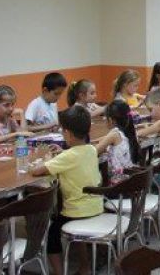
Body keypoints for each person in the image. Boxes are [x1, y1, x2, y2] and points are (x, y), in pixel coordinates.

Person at [30, 106, 103, 275]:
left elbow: (37, 171)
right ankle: (84, 267)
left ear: (67, 133)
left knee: (52, 236)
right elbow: (76, 157)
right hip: (96, 206)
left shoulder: (67, 156)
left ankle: (58, 272)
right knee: (78, 235)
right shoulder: (91, 149)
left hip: (75, 211)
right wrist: (63, 154)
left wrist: (38, 163)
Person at [94, 100, 141, 172]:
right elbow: (107, 139)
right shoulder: (130, 131)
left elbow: (93, 152)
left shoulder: (114, 134)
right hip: (131, 177)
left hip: (118, 180)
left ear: (111, 120)